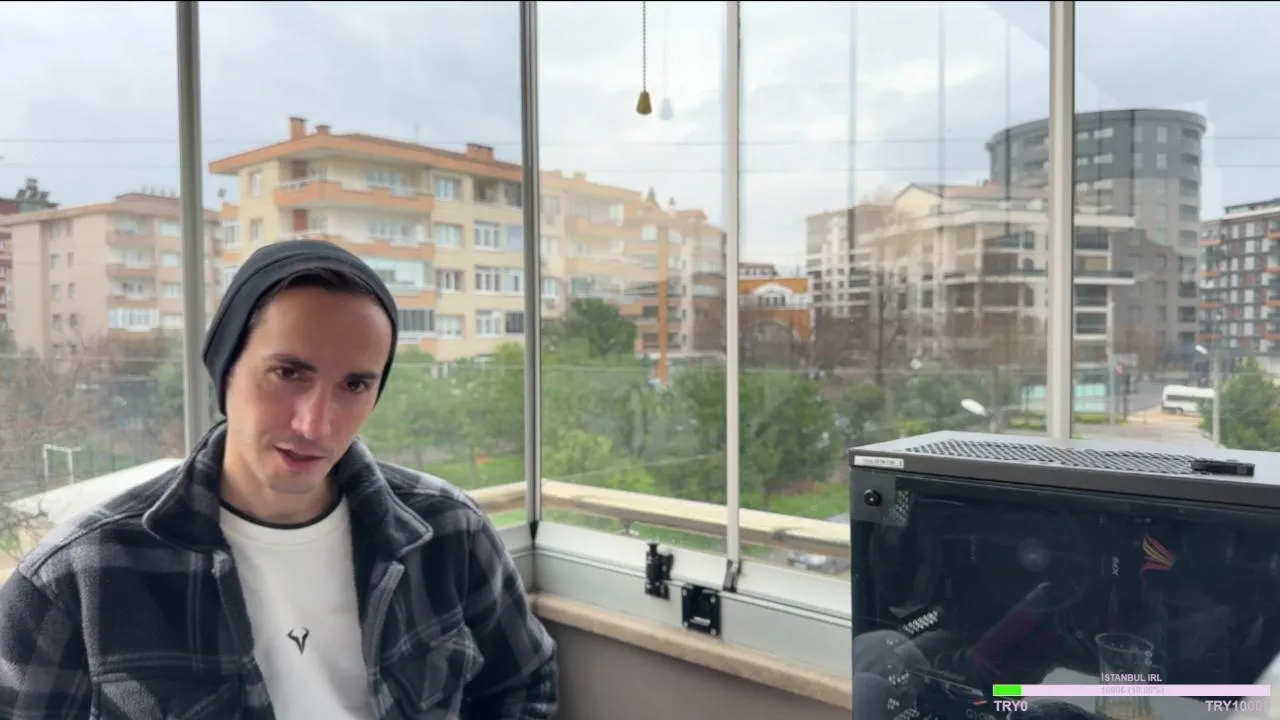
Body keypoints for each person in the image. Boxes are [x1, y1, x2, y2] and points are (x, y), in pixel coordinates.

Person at [0, 240, 558, 719]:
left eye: (355, 386)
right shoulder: (78, 577)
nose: (316, 424)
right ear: (226, 369)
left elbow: (523, 686)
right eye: (288, 373)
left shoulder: (450, 531)